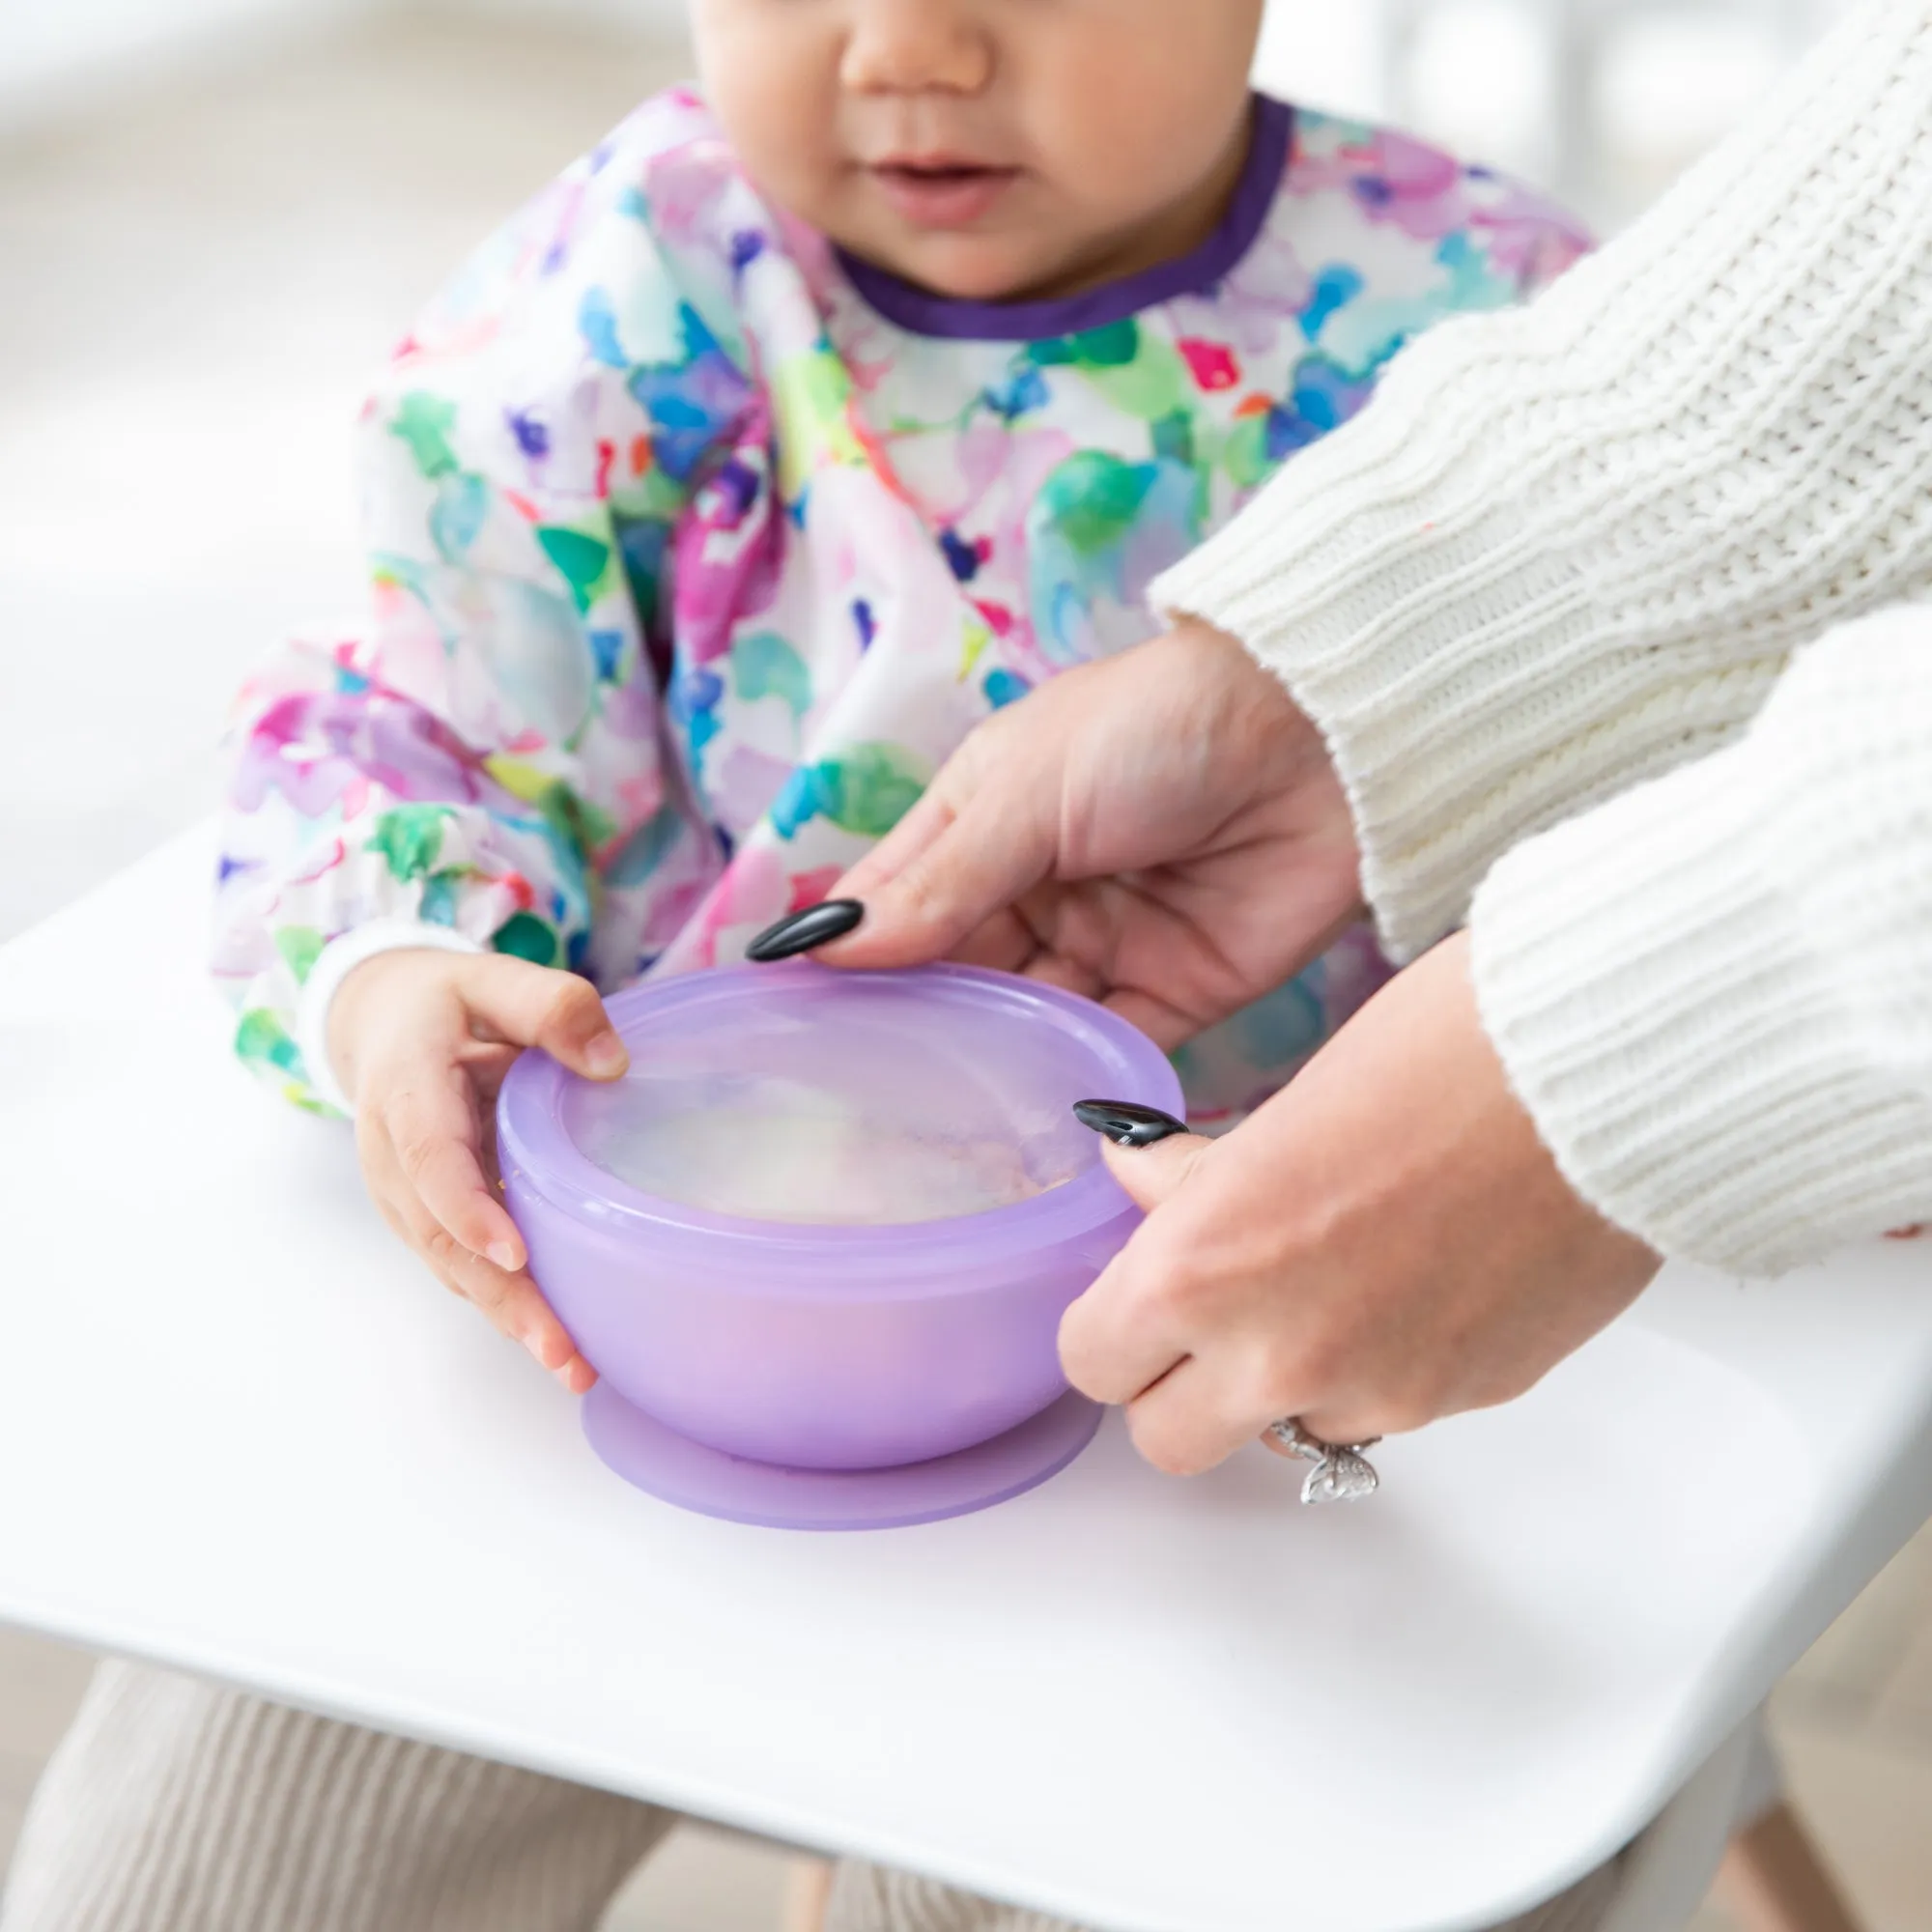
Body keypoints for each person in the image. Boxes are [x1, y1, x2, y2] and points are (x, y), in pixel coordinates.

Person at [0, 3, 1605, 1931]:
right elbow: (411, 713)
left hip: (1198, 1374)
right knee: (192, 1874)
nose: (910, 45)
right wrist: (397, 967)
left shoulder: (1492, 336)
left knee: (1148, 1855)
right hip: (607, 1316)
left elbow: (1668, 844)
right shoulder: (639, 276)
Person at [804, 0, 1932, 1478]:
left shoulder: (1461, 262)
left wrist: (1637, 1040)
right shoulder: (657, 252)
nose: (900, 49)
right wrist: (1330, 697)